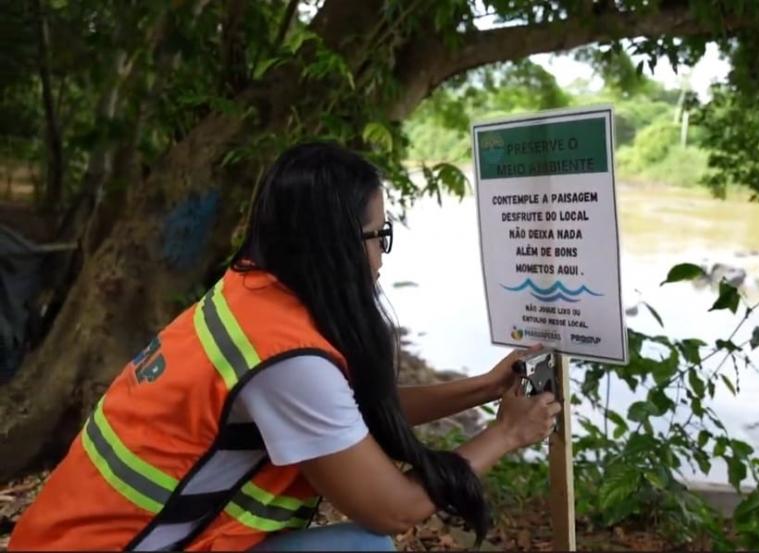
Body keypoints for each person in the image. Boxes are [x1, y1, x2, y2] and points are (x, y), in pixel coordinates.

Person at [10, 142, 560, 551]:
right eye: (379, 236)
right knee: (364, 548)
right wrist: (507, 433)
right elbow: (393, 509)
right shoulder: (285, 359)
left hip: (69, 536)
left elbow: (352, 409)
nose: (383, 257)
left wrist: (485, 387)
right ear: (337, 243)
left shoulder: (251, 294)